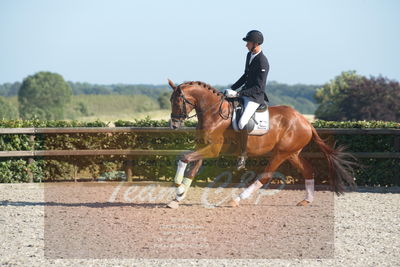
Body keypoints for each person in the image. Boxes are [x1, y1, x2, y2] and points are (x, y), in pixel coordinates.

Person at [224, 30, 270, 170]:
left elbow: (259, 87)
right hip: (244, 93)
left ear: (255, 44)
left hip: (255, 97)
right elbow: (245, 76)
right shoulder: (249, 55)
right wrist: (232, 88)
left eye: (248, 43)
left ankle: (243, 155)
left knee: (243, 122)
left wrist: (238, 94)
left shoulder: (263, 62)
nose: (246, 45)